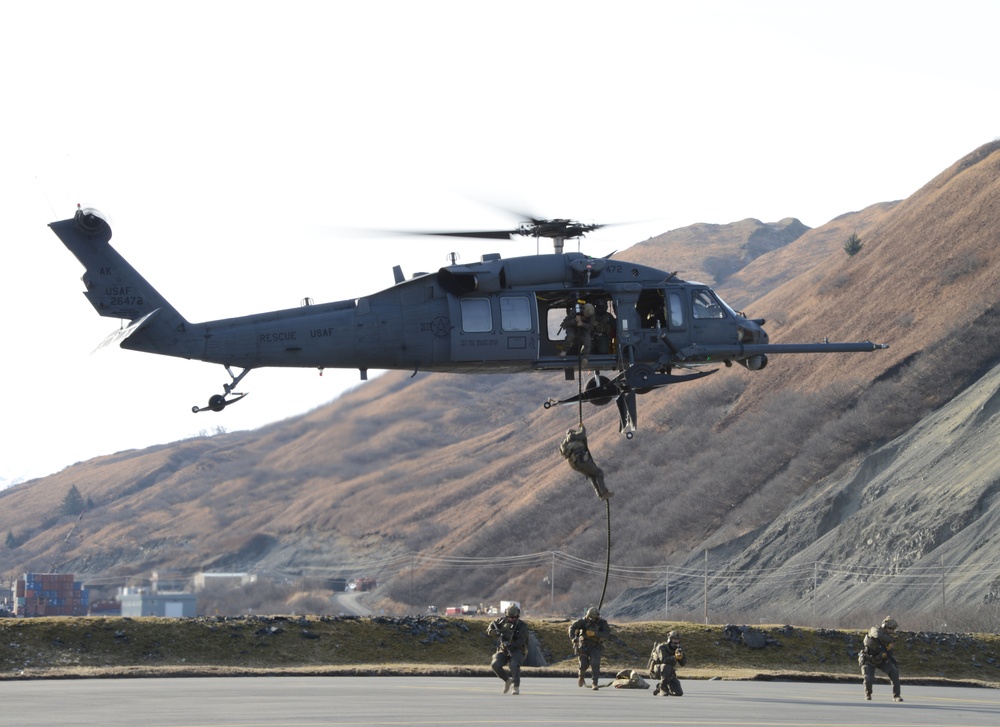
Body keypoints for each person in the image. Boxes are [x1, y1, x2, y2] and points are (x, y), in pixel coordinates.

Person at [559, 425, 613, 500]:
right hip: (582, 459)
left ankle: (600, 495)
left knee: (592, 476)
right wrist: (582, 427)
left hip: (575, 464)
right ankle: (604, 493)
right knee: (599, 473)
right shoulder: (572, 436)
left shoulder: (564, 444)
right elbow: (582, 434)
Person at [486, 603, 529, 695]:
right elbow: (490, 629)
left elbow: (521, 641)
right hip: (503, 650)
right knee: (495, 664)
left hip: (517, 650)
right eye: (510, 617)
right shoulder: (500, 622)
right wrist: (494, 632)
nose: (512, 619)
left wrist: (510, 645)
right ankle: (507, 680)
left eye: (514, 617)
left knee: (514, 665)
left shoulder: (522, 626)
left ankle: (515, 686)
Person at [859, 616, 903, 702]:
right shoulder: (874, 630)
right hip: (869, 659)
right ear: (884, 626)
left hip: (881, 659)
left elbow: (890, 651)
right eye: (890, 628)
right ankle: (868, 694)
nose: (891, 631)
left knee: (894, 672)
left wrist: (888, 650)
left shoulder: (888, 638)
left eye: (893, 629)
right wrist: (890, 641)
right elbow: (877, 635)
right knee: (868, 678)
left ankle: (896, 695)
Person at [568, 606, 612, 690]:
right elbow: (572, 627)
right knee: (584, 664)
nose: (591, 619)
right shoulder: (582, 621)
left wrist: (595, 634)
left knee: (595, 663)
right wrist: (573, 638)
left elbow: (606, 633)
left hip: (596, 645)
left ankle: (594, 683)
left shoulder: (602, 623)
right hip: (584, 644)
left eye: (593, 618)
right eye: (590, 617)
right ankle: (581, 675)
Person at [647, 630, 686, 696]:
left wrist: (681, 656)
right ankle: (663, 688)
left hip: (669, 673)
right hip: (657, 670)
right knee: (666, 666)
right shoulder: (662, 647)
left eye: (677, 639)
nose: (676, 641)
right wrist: (674, 657)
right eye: (674, 639)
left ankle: (660, 686)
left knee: (678, 693)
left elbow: (683, 663)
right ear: (670, 639)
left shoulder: (678, 649)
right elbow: (663, 660)